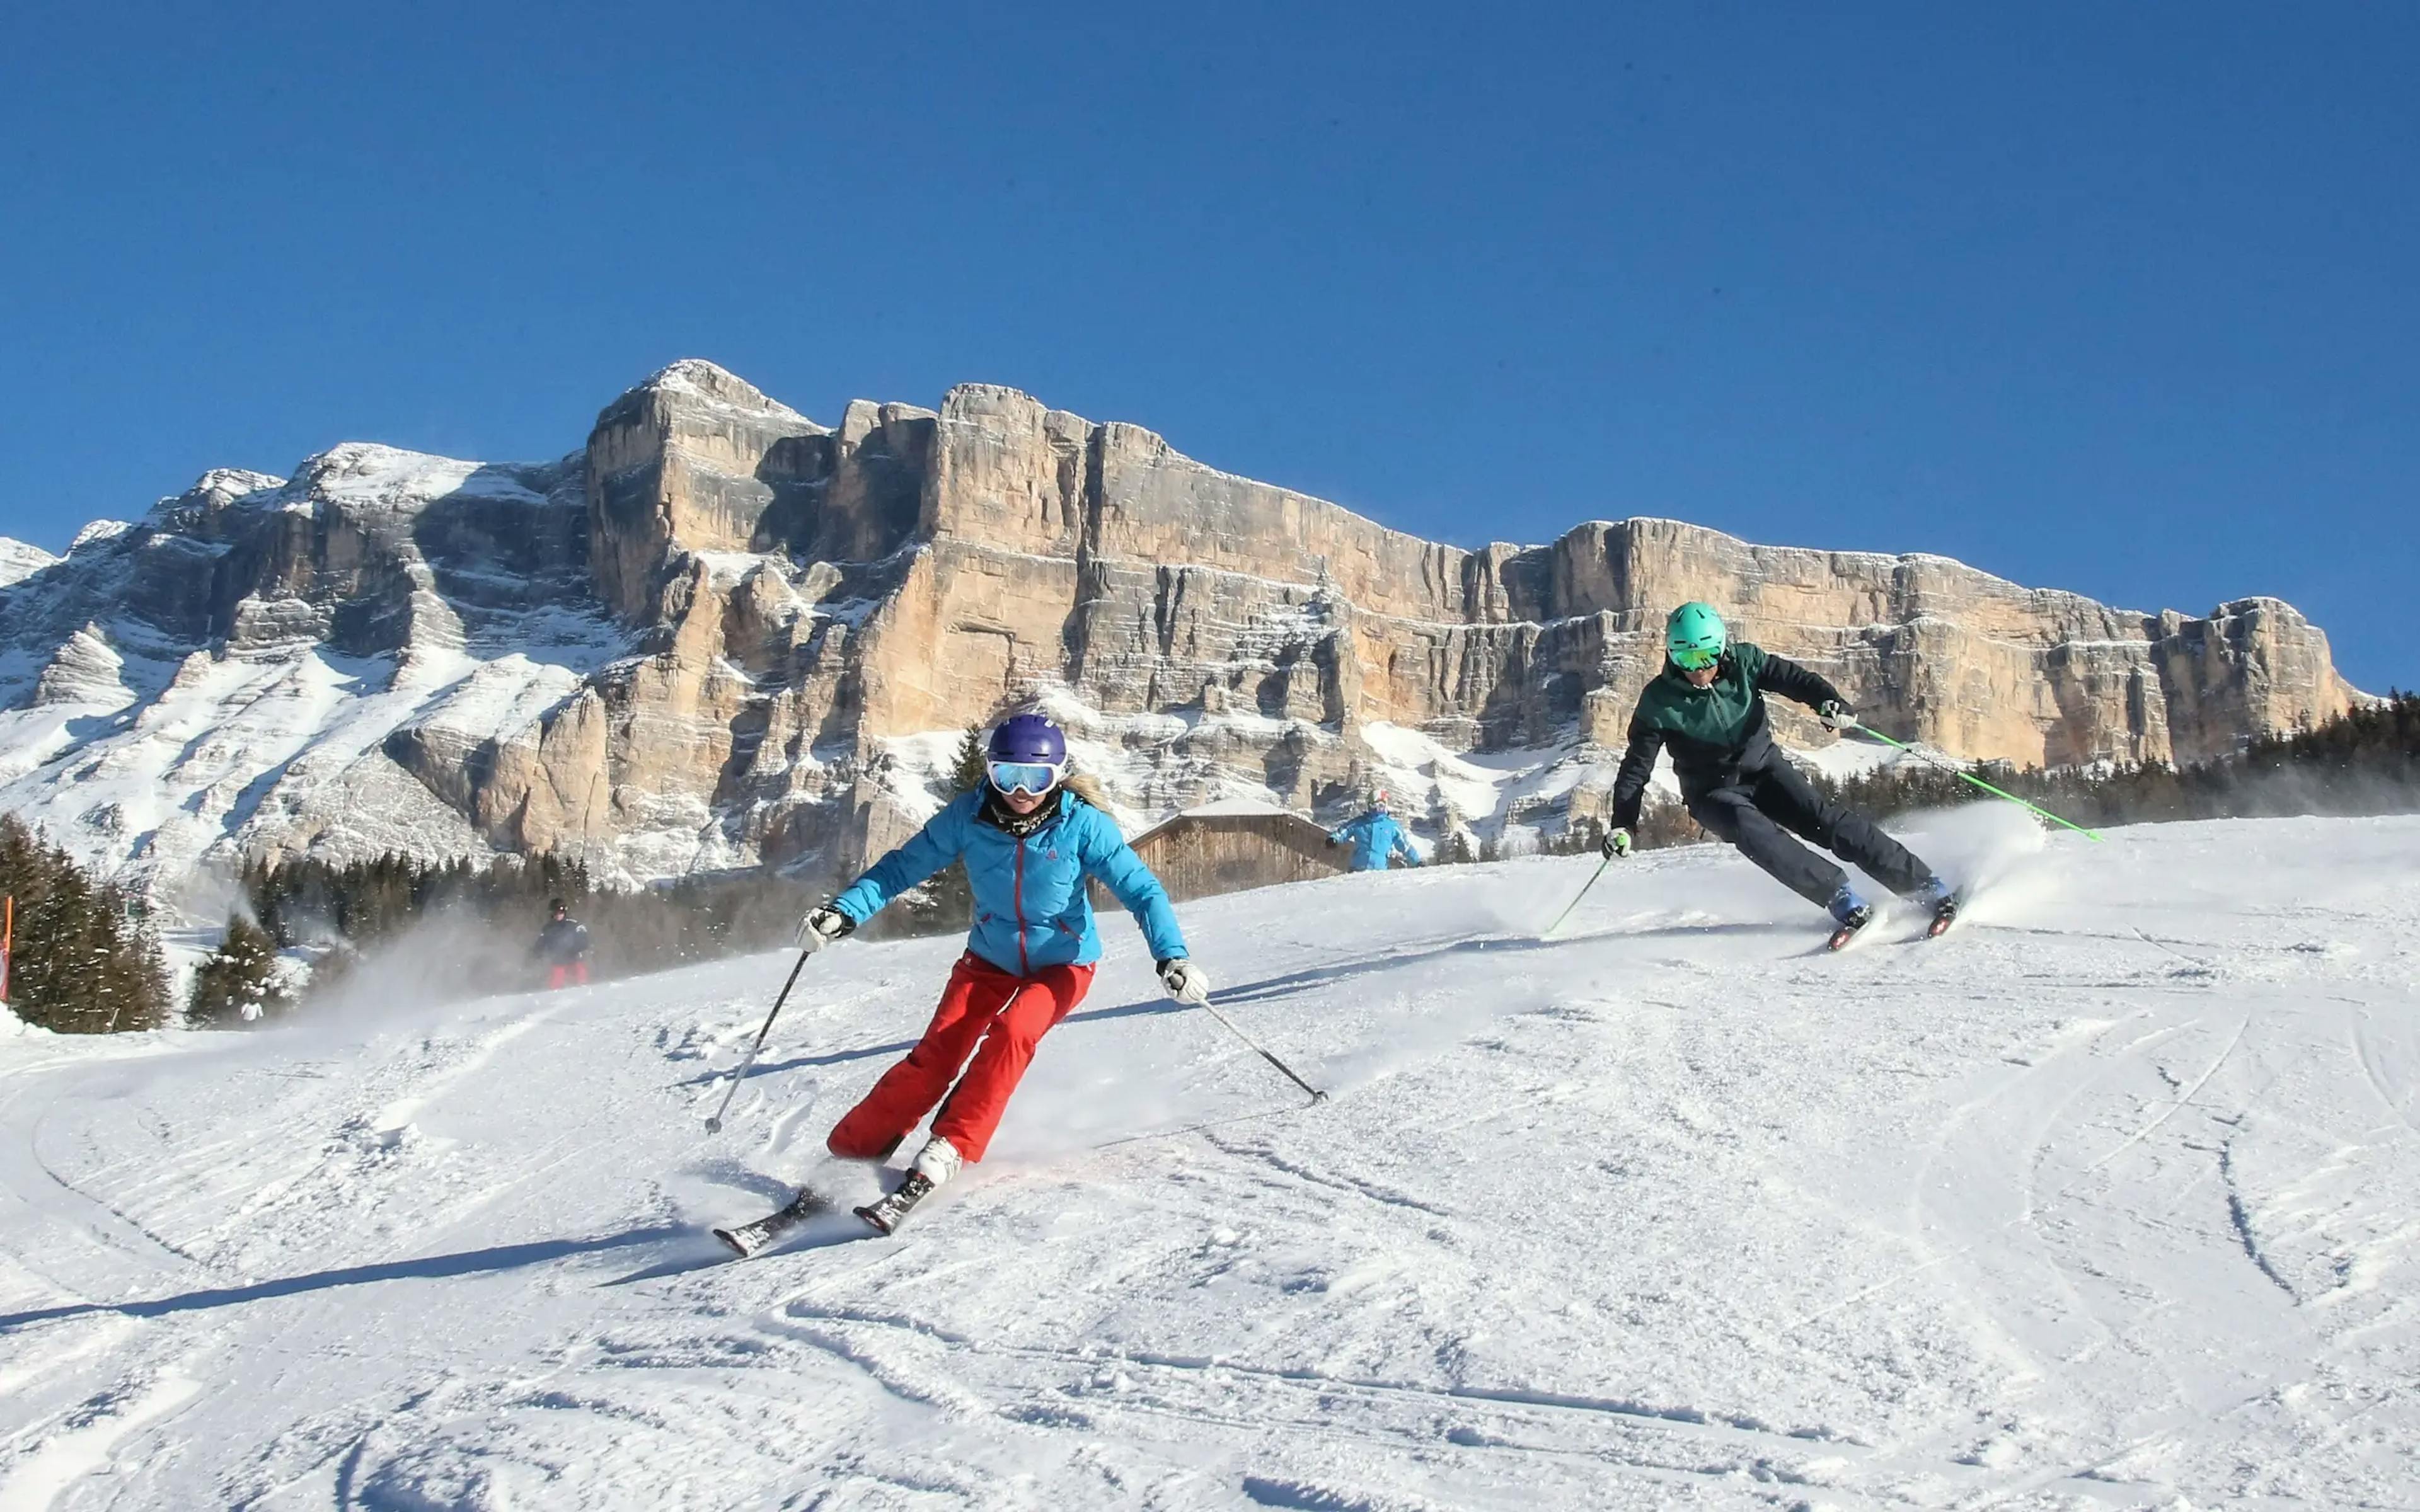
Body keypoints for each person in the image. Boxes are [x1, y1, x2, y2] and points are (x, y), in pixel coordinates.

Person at [794, 713, 1211, 1234]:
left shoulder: (1083, 824)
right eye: (1007, 776)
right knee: (937, 1053)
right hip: (989, 958)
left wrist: (1172, 956)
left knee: (1013, 1034)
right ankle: (855, 1151)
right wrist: (844, 911)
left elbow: (1143, 890)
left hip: (1063, 963)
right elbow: (902, 867)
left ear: (1058, 776)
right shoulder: (969, 817)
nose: (1020, 791)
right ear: (989, 773)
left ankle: (951, 1145)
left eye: (1036, 780)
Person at [1599, 603, 1956, 946]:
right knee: (1752, 831)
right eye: (1686, 659)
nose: (1698, 669)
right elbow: (1636, 768)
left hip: (1765, 768)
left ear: (1722, 647)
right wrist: (1623, 825)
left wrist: (1829, 702)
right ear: (1672, 656)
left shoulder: (1747, 662)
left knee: (1824, 819)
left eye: (1706, 656)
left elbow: (1795, 680)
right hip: (1711, 792)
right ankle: (1842, 899)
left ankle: (1925, 887)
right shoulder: (1658, 701)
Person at [1327, 793, 1421, 871]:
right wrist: (1333, 839)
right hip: (1357, 869)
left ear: (1386, 806)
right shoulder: (1359, 823)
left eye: (1380, 806)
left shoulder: (1392, 826)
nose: (1377, 809)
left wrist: (1417, 861)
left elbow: (1405, 846)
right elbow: (1344, 831)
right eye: (1373, 806)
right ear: (1368, 806)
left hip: (1379, 872)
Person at [533, 898, 592, 988]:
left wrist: (575, 949)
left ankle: (583, 989)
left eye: (560, 912)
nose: (557, 915)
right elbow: (541, 942)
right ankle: (555, 996)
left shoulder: (574, 924)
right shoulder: (548, 928)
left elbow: (584, 940)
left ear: (564, 912)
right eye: (555, 913)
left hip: (574, 958)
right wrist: (537, 953)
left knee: (580, 974)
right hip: (558, 961)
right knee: (556, 982)